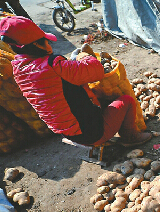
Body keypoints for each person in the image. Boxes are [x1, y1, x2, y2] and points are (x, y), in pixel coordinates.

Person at [0, 16, 152, 147]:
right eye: (46, 42)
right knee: (126, 100)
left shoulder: (18, 69)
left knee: (88, 95)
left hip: (65, 132)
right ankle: (130, 137)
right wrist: (84, 56)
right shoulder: (54, 64)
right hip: (90, 134)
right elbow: (95, 70)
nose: (49, 45)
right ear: (36, 45)